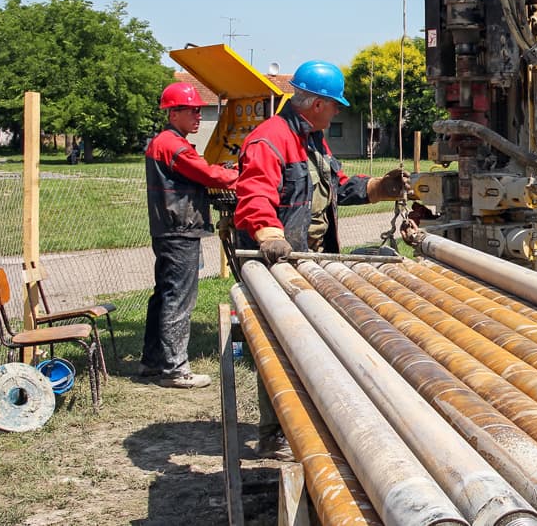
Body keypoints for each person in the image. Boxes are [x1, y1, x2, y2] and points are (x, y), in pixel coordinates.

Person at [233, 60, 409, 459]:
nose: (336, 112)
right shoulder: (270, 140)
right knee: (280, 346)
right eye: (334, 105)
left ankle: (309, 421)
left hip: (307, 258)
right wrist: (270, 235)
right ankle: (275, 433)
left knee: (311, 343)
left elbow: (336, 188)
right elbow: (255, 195)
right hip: (277, 259)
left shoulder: (312, 141)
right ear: (317, 104)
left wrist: (380, 187)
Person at [143, 82, 239, 389]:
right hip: (179, 229)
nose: (198, 116)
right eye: (192, 111)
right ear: (173, 114)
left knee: (164, 295)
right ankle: (175, 370)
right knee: (179, 299)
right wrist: (241, 175)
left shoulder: (163, 142)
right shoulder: (174, 146)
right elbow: (209, 175)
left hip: (168, 228)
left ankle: (152, 361)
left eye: (199, 110)